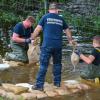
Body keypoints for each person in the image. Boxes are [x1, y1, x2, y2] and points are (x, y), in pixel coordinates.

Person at [31, 3, 75, 91]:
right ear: (57, 10)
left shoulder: (45, 17)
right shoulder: (61, 19)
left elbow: (38, 29)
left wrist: (32, 38)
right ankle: (57, 83)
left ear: (49, 10)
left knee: (43, 65)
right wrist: (70, 40)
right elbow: (67, 30)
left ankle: (39, 85)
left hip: (47, 45)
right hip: (58, 45)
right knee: (57, 64)